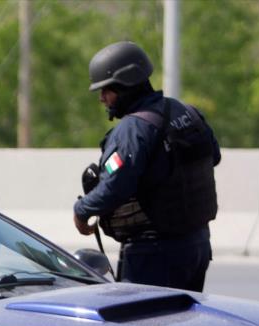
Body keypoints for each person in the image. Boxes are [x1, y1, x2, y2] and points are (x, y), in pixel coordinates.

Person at [73, 41, 221, 291]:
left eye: (106, 90)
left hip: (153, 253)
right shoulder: (187, 113)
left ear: (124, 85)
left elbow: (115, 187)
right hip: (197, 246)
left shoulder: (133, 129)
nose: (102, 98)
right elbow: (213, 156)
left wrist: (82, 210)